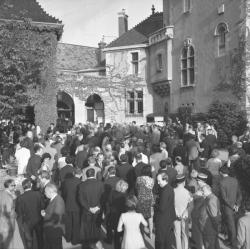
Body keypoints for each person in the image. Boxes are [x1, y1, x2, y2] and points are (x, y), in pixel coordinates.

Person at [78, 168, 104, 249]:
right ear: (94, 174)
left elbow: (80, 199)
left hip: (86, 211)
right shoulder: (100, 184)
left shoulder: (82, 185)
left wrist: (89, 208)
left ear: (86, 175)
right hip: (97, 210)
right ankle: (96, 241)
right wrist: (98, 206)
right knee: (96, 227)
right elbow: (103, 197)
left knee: (86, 227)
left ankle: (87, 244)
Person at [15, 178, 44, 249]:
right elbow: (42, 206)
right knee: (40, 237)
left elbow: (19, 212)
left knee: (29, 240)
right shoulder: (38, 194)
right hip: (38, 219)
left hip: (27, 222)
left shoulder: (20, 198)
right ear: (30, 185)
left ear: (23, 187)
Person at [219, 165, 242, 248]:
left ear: (221, 172)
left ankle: (233, 244)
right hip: (235, 207)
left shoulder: (222, 182)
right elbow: (239, 194)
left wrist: (232, 206)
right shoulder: (235, 180)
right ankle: (230, 240)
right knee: (232, 224)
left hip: (227, 207)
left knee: (231, 225)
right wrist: (237, 205)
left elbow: (224, 198)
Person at [0, 179, 24, 249]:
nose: (14, 187)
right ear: (8, 186)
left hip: (2, 221)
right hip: (8, 222)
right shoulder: (8, 197)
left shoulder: (2, 193)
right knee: (11, 241)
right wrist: (15, 214)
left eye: (14, 185)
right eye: (13, 185)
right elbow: (8, 211)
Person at [155, 172, 176, 249]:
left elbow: (162, 207)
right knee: (167, 239)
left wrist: (154, 203)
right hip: (168, 217)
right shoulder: (168, 188)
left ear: (165, 180)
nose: (158, 182)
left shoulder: (165, 190)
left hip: (163, 219)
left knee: (162, 240)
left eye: (159, 180)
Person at [61, 168, 82, 245]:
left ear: (74, 173)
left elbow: (63, 193)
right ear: (81, 174)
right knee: (76, 224)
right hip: (77, 206)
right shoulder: (81, 183)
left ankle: (68, 238)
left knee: (68, 223)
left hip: (67, 204)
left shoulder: (65, 182)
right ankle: (75, 240)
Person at [41, 183, 65, 249]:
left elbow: (56, 217)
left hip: (54, 231)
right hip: (51, 230)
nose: (44, 194)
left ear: (50, 192)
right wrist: (45, 211)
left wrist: (45, 215)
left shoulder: (58, 201)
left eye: (45, 192)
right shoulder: (53, 199)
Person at [106, 179, 128, 248]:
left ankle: (111, 241)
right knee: (119, 232)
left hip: (113, 214)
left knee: (111, 229)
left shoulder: (112, 192)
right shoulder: (125, 195)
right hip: (122, 215)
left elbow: (109, 202)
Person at [174, 174, 193, 249]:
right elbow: (191, 205)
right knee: (185, 234)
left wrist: (176, 212)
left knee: (177, 234)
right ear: (184, 182)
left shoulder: (173, 191)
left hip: (175, 215)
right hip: (185, 216)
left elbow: (171, 204)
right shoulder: (188, 192)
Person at [199, 184, 221, 249]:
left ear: (208, 190)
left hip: (209, 229)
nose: (202, 192)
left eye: (203, 191)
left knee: (209, 246)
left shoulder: (211, 200)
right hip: (208, 228)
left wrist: (216, 228)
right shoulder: (208, 198)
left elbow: (214, 216)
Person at [136, 165, 154, 237]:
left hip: (141, 198)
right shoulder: (151, 180)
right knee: (150, 217)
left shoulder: (138, 179)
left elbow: (136, 188)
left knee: (141, 216)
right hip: (150, 198)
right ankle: (150, 233)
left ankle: (141, 232)